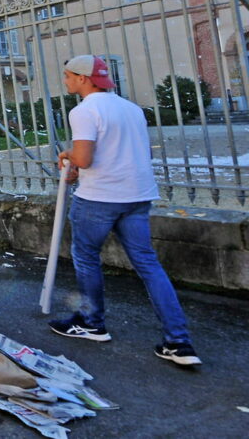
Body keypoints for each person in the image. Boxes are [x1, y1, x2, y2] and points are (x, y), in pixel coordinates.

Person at [49, 55, 201, 366]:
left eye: (68, 76)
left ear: (83, 79)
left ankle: (92, 324)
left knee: (87, 258)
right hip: (138, 195)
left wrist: (68, 155)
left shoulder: (83, 111)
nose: (66, 82)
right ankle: (179, 341)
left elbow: (85, 158)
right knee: (148, 265)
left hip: (99, 197)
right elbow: (136, 152)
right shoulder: (131, 109)